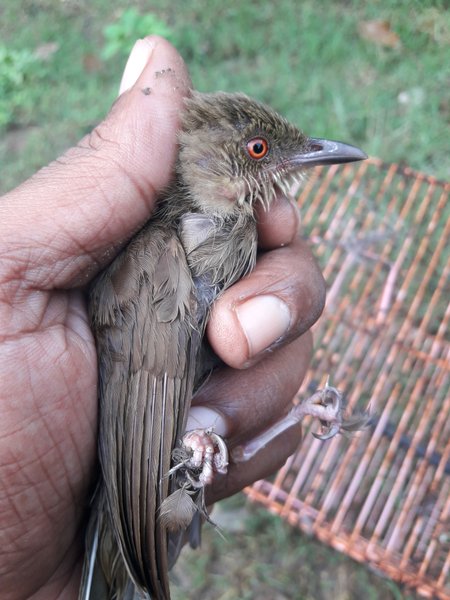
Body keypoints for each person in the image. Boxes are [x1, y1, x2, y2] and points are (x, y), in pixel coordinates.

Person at [0, 37, 325, 599]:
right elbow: (143, 414)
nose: (273, 162)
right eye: (257, 151)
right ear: (210, 160)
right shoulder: (158, 256)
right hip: (123, 485)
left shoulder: (230, 236)